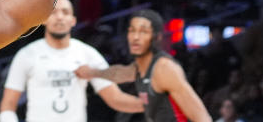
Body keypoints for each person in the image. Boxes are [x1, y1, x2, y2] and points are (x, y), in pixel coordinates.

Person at [0, 0, 143, 122]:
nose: (60, 17)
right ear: (44, 20)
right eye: (53, 12)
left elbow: (115, 99)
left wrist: (152, 103)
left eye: (65, 12)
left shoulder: (87, 53)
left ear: (73, 20)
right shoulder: (26, 54)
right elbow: (8, 106)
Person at [75, 10, 211, 122]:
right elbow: (120, 73)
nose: (135, 37)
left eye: (143, 32)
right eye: (132, 31)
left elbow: (201, 116)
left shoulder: (165, 69)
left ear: (156, 37)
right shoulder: (141, 66)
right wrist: (92, 73)